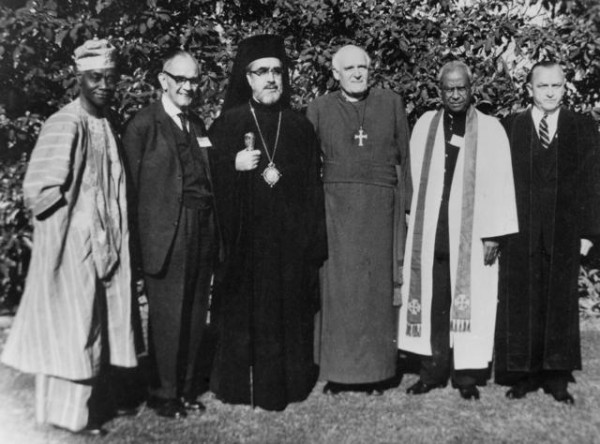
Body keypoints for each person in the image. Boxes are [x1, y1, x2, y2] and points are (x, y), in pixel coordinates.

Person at [1, 39, 137, 435]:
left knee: (95, 326)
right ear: (79, 78)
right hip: (72, 247)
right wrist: (74, 229)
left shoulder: (105, 124)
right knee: (73, 328)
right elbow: (39, 189)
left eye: (111, 78)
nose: (104, 86)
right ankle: (70, 417)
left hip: (103, 245)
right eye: (96, 77)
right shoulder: (65, 121)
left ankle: (90, 405)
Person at [208, 34, 327, 411]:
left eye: (277, 71)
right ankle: (240, 388)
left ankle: (287, 384)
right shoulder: (227, 125)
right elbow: (204, 179)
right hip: (246, 244)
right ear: (247, 78)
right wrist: (232, 166)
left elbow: (312, 190)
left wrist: (310, 243)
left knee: (288, 315)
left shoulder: (299, 126)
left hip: (288, 247)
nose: (271, 78)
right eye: (262, 72)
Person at [398, 61, 518, 400]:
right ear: (440, 91)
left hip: (474, 231)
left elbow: (501, 184)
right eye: (448, 88)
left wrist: (495, 233)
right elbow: (412, 178)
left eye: (460, 88)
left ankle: (465, 377)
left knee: (470, 302)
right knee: (435, 301)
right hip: (434, 229)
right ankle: (431, 372)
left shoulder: (492, 129)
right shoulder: (424, 125)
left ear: (471, 88)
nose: (454, 94)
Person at [306, 45, 411, 394]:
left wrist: (407, 204)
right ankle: (338, 373)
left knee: (376, 291)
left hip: (381, 211)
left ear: (371, 69)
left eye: (362, 67)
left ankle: (378, 372)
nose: (356, 73)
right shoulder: (319, 109)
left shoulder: (391, 102)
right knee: (340, 292)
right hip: (335, 212)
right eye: (348, 68)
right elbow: (307, 166)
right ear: (335, 74)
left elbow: (405, 157)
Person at [494, 61, 600, 405]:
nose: (551, 92)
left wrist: (588, 234)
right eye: (543, 86)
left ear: (565, 87)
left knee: (560, 304)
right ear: (530, 89)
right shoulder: (511, 127)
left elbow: (592, 183)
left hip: (565, 232)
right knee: (522, 302)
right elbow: (498, 186)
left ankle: (556, 377)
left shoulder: (581, 128)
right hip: (521, 233)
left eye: (557, 86)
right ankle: (523, 375)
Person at [122, 50, 218, 419]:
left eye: (194, 80)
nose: (188, 87)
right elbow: (128, 190)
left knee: (195, 314)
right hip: (165, 234)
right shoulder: (143, 125)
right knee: (167, 316)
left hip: (201, 228)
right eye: (181, 79)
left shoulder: (197, 125)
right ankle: (163, 394)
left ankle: (187, 389)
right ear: (163, 80)